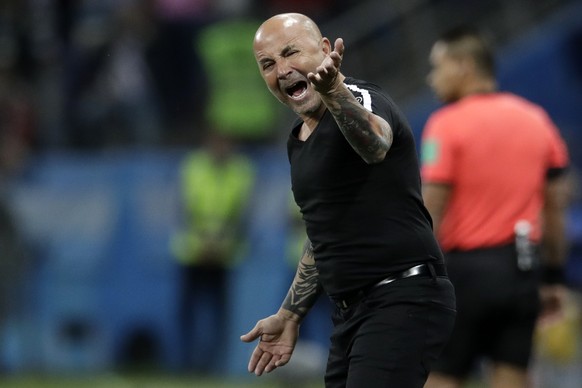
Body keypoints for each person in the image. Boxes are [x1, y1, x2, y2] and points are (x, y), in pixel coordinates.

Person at [240, 13, 456, 387]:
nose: (283, 69)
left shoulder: (359, 95)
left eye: (292, 52)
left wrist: (333, 89)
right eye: (268, 64)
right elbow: (325, 233)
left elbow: (376, 145)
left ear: (324, 50)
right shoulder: (299, 141)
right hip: (352, 312)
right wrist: (291, 314)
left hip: (402, 297)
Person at [420, 26, 572, 388]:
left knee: (439, 377)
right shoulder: (537, 120)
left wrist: (416, 276)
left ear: (463, 66)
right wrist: (552, 277)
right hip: (522, 270)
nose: (432, 78)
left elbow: (432, 207)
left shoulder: (444, 125)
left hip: (465, 274)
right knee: (512, 377)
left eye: (437, 66)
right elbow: (554, 209)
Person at [171, 130, 256, 373]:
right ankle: (185, 362)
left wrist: (219, 242)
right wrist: (204, 241)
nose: (221, 148)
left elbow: (242, 212)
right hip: (192, 251)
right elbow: (184, 207)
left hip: (225, 253)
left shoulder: (242, 170)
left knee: (220, 312)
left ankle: (215, 364)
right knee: (188, 311)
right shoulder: (193, 166)